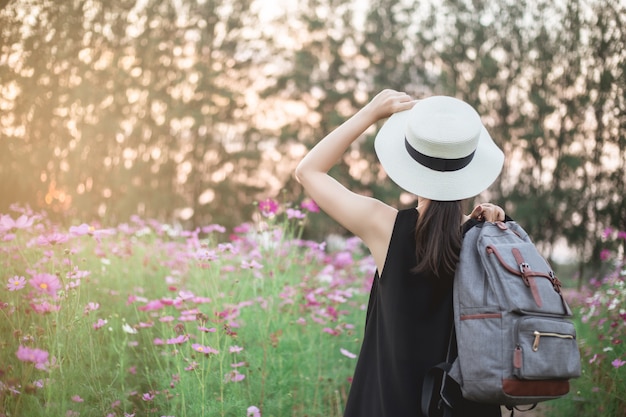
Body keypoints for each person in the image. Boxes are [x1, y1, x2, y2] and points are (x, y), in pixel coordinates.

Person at [295, 89, 506, 417]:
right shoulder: (489, 234)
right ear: (470, 166)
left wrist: (369, 113)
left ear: (411, 162)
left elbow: (308, 171)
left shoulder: (383, 226)